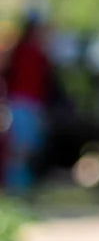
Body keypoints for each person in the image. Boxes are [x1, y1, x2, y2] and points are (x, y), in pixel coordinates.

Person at [1, 11, 56, 192]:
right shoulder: (20, 50)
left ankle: (21, 182)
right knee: (19, 146)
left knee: (28, 145)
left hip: (33, 104)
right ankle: (15, 184)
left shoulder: (39, 52)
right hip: (20, 102)